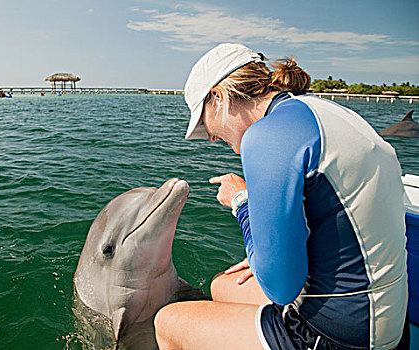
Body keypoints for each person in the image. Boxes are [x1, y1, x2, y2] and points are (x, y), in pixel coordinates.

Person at [154, 43, 409, 350]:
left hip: (340, 335)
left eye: (204, 121)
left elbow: (280, 289)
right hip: (388, 317)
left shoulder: (267, 136)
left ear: (219, 97)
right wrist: (265, 253)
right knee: (222, 284)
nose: (209, 136)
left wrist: (241, 202)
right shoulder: (324, 111)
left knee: (168, 322)